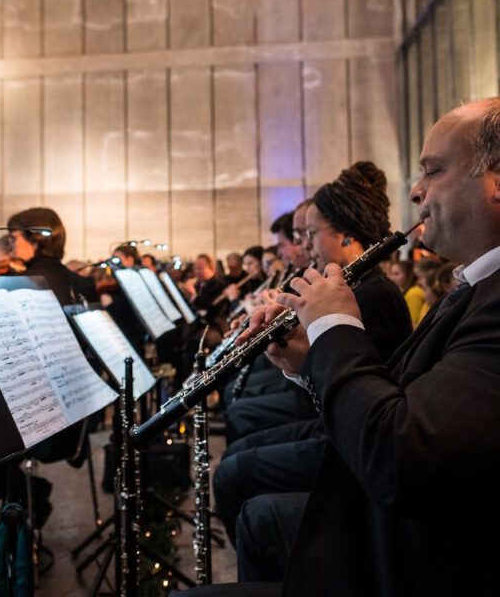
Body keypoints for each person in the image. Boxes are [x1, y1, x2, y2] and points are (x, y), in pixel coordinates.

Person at [186, 98, 500, 597]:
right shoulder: (473, 286)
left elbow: (400, 453)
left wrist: (331, 326)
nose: (416, 192)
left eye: (433, 171)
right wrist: (308, 359)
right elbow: (392, 390)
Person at [214, 162, 411, 548]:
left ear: (345, 233)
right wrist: (290, 355)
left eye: (311, 233)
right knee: (237, 453)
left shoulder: (372, 294)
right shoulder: (353, 286)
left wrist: (302, 361)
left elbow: (352, 388)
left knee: (235, 473)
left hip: (348, 442)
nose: (304, 245)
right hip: (333, 424)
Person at [388, 259, 426, 326]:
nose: (392, 278)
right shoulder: (409, 291)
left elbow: (412, 324)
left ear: (409, 275)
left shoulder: (413, 293)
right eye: (391, 274)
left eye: (396, 274)